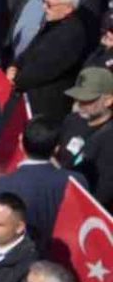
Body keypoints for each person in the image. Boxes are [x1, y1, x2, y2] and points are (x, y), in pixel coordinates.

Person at [0, 117, 81, 244]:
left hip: (20, 253)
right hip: (61, 253)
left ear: (21, 144)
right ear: (56, 149)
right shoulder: (76, 181)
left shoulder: (1, 185)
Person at [56, 66, 113, 209]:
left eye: (88, 99)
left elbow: (103, 192)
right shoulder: (72, 120)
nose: (80, 103)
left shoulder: (109, 138)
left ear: (108, 100)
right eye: (78, 97)